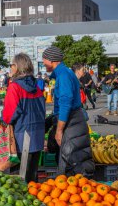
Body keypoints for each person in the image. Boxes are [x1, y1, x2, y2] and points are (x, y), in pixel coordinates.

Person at [42, 46, 94, 177]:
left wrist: (59, 130)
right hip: (75, 122)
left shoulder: (64, 75)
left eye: (44, 60)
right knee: (74, 161)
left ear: (51, 60)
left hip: (71, 124)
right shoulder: (66, 72)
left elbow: (65, 103)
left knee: (72, 164)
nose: (43, 63)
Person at [3, 53, 45, 182]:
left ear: (17, 67)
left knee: (20, 178)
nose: (10, 68)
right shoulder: (36, 87)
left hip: (22, 137)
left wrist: (3, 120)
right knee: (32, 175)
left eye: (11, 65)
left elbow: (10, 115)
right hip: (37, 136)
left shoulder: (15, 87)